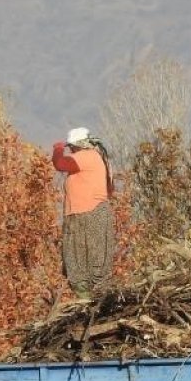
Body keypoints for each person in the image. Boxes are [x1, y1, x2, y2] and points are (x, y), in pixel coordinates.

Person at [52, 127, 115, 301]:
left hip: (89, 214)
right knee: (83, 261)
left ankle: (91, 302)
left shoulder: (87, 156)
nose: (70, 151)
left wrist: (58, 149)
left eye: (71, 147)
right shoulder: (97, 158)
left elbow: (60, 164)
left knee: (86, 263)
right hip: (84, 214)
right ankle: (89, 302)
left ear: (77, 146)